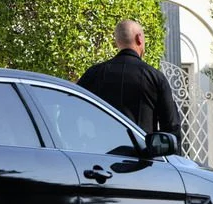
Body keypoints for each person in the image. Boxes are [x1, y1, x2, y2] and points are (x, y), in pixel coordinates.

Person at [77, 20, 181, 150]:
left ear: (117, 42)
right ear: (139, 38)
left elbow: (73, 111)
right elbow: (171, 127)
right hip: (142, 162)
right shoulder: (155, 77)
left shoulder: (93, 74)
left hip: (100, 159)